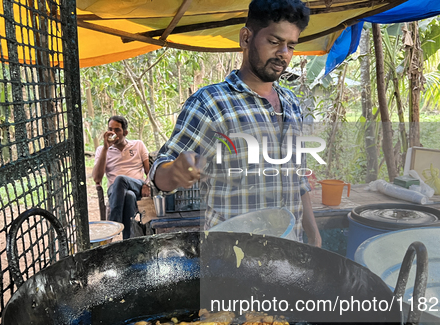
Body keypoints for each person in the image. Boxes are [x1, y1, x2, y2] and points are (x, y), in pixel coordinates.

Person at [150, 0, 321, 247]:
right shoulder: (211, 104)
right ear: (245, 38)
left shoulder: (292, 104)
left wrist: (313, 234)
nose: (283, 53)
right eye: (274, 42)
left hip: (289, 253)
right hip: (233, 259)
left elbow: (299, 180)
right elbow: (159, 176)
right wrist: (175, 170)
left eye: (290, 46)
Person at [92, 115, 150, 239]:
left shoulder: (138, 145)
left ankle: (112, 227)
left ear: (125, 132)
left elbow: (149, 171)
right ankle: (127, 241)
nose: (113, 133)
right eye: (110, 129)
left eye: (117, 130)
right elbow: (97, 178)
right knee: (129, 196)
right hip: (115, 191)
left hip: (137, 185)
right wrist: (106, 149)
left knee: (121, 179)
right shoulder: (102, 150)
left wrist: (147, 184)